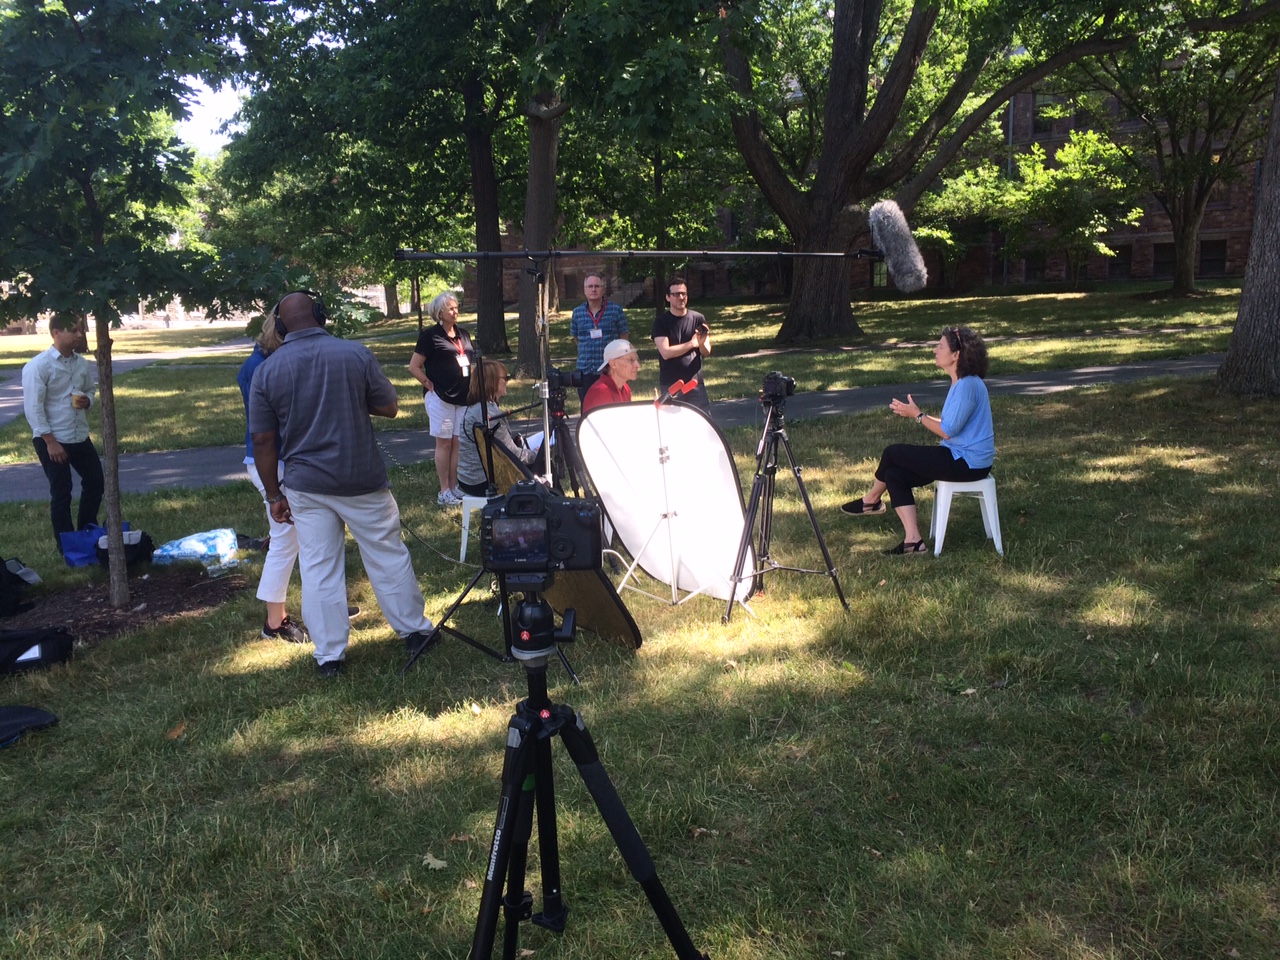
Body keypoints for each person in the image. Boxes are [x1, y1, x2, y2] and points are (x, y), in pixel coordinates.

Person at [249, 291, 435, 677]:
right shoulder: (355, 354)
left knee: (318, 567)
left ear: (280, 327)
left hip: (305, 484)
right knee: (386, 554)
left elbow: (264, 441)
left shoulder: (267, 370)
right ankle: (416, 632)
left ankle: (330, 656)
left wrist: (273, 495)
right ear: (322, 315)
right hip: (361, 478)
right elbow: (389, 405)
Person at [842, 326, 995, 556]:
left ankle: (871, 500)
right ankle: (913, 541)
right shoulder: (961, 383)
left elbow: (948, 430)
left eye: (940, 346)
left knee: (893, 452)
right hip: (957, 457)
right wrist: (915, 413)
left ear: (956, 355)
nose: (935, 350)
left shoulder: (967, 385)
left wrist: (918, 415)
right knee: (894, 475)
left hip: (968, 463)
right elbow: (950, 425)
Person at [238, 315, 307, 644]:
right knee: (285, 540)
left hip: (273, 459)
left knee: (301, 537)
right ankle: (274, 622)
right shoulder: (263, 368)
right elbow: (271, 426)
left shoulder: (259, 361)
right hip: (272, 462)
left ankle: (319, 603)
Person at [21, 313, 104, 551]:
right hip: (52, 438)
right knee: (62, 492)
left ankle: (88, 531)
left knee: (95, 482)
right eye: (74, 330)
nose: (80, 335)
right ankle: (67, 545)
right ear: (56, 333)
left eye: (81, 330)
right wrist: (50, 441)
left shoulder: (81, 363)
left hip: (78, 434)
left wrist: (87, 400)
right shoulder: (39, 366)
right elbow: (33, 408)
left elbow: (89, 389)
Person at [408, 292, 474, 506]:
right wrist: (429, 385)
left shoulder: (463, 334)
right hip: (440, 397)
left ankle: (455, 487)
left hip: (462, 397)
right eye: (451, 309)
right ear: (440, 313)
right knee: (444, 443)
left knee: (457, 442)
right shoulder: (430, 336)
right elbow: (414, 366)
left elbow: (469, 361)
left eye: (457, 307)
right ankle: (443, 490)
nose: (456, 311)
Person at [457, 359, 539, 497]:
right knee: (542, 464)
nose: (507, 381)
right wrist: (537, 455)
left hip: (469, 478)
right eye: (505, 378)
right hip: (482, 481)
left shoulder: (478, 408)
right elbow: (512, 454)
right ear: (492, 381)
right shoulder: (488, 413)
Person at [651, 276, 712, 415]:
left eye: (683, 293)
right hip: (671, 385)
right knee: (674, 426)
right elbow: (665, 352)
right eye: (676, 294)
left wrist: (701, 344)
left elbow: (706, 351)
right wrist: (691, 344)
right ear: (668, 297)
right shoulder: (661, 322)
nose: (680, 297)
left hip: (695, 384)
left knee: (702, 424)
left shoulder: (698, 318)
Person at [569, 273, 629, 403]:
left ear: (603, 289)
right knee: (587, 408)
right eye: (590, 286)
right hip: (585, 371)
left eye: (597, 286)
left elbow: (624, 338)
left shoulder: (615, 310)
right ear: (585, 291)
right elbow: (575, 337)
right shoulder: (577, 313)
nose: (593, 289)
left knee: (611, 407)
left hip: (609, 371)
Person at [581, 339, 641, 414]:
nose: (638, 365)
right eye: (631, 360)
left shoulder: (625, 388)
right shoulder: (601, 392)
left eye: (637, 360)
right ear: (613, 364)